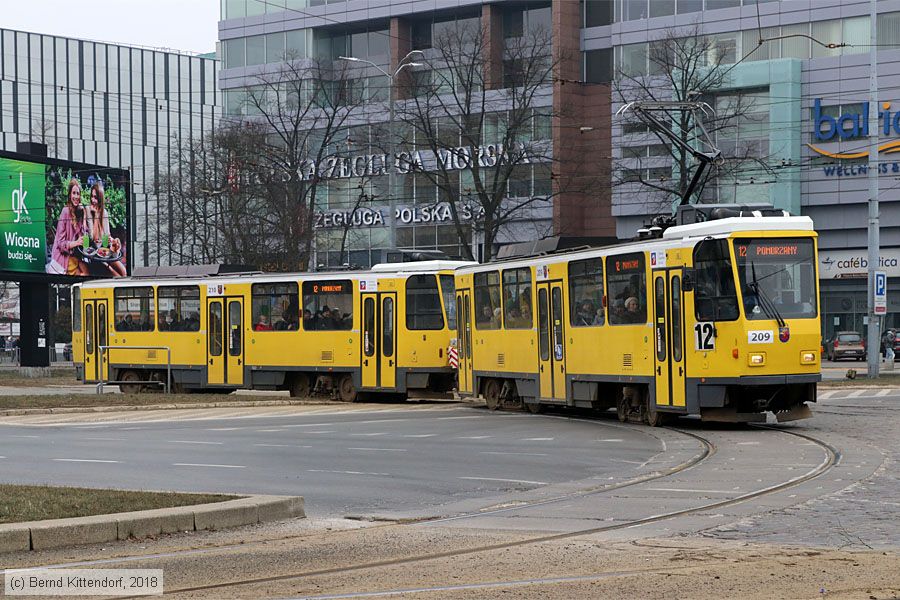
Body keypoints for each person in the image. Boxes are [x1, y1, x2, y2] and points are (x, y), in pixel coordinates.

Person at [48, 179, 88, 276]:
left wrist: (84, 215)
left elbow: (85, 238)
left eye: (78, 194)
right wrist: (76, 243)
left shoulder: (79, 212)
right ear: (70, 195)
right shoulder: (65, 211)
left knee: (88, 271)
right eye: (73, 193)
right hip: (63, 258)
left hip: (75, 255)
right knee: (85, 275)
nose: (76, 196)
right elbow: (61, 244)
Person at [86, 183, 126, 277]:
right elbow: (93, 239)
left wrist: (112, 241)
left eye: (95, 197)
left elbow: (106, 237)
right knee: (116, 275)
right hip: (95, 255)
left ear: (100, 199)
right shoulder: (88, 210)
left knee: (124, 272)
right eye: (92, 196)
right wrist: (95, 216)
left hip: (105, 252)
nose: (92, 200)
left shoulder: (104, 213)